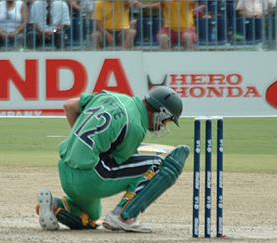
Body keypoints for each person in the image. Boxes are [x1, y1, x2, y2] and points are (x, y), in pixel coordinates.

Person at [36, 86, 190, 232]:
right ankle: (123, 216)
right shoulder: (135, 126)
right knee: (157, 165)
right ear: (160, 113)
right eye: (167, 120)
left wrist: (83, 146)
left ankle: (54, 204)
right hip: (90, 178)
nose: (163, 125)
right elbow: (121, 160)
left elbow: (69, 106)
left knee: (91, 215)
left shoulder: (110, 96)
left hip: (66, 172)